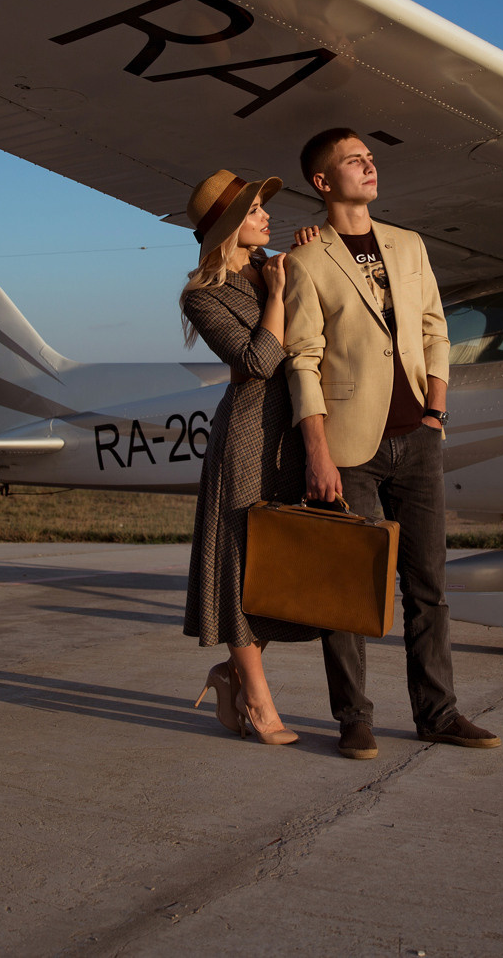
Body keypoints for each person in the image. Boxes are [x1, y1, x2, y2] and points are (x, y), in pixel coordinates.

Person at [283, 128, 501, 759]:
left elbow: (435, 328)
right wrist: (317, 452)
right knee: (348, 589)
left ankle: (440, 713)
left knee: (428, 586)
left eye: (370, 157)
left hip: (417, 438)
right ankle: (354, 719)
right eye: (355, 160)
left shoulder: (408, 246)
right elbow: (304, 357)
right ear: (324, 182)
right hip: (349, 447)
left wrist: (435, 411)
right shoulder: (305, 258)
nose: (369, 164)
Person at [179, 169, 320, 746]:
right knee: (239, 564)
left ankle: (231, 674)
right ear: (231, 226)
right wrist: (282, 293)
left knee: (272, 565)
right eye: (256, 209)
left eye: (263, 207)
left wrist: (308, 265)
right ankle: (260, 706)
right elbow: (259, 360)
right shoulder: (202, 295)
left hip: (293, 434)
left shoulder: (276, 266)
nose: (266, 217)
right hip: (245, 437)